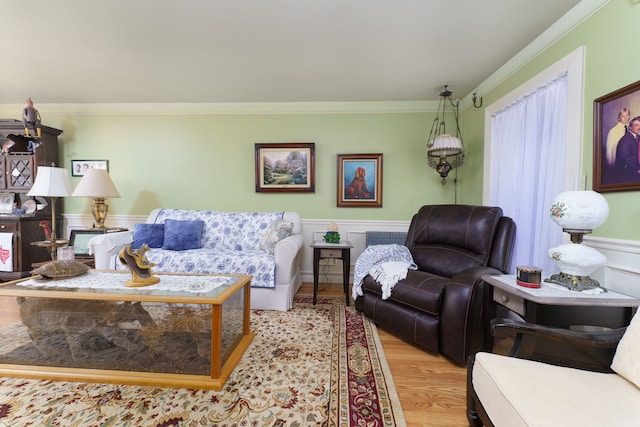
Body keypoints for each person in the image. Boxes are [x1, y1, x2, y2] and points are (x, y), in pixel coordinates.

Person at [614, 116, 640, 181]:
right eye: (636, 125)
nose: (639, 127)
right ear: (630, 127)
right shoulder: (625, 140)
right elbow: (625, 158)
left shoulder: (638, 137)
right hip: (627, 173)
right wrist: (637, 169)